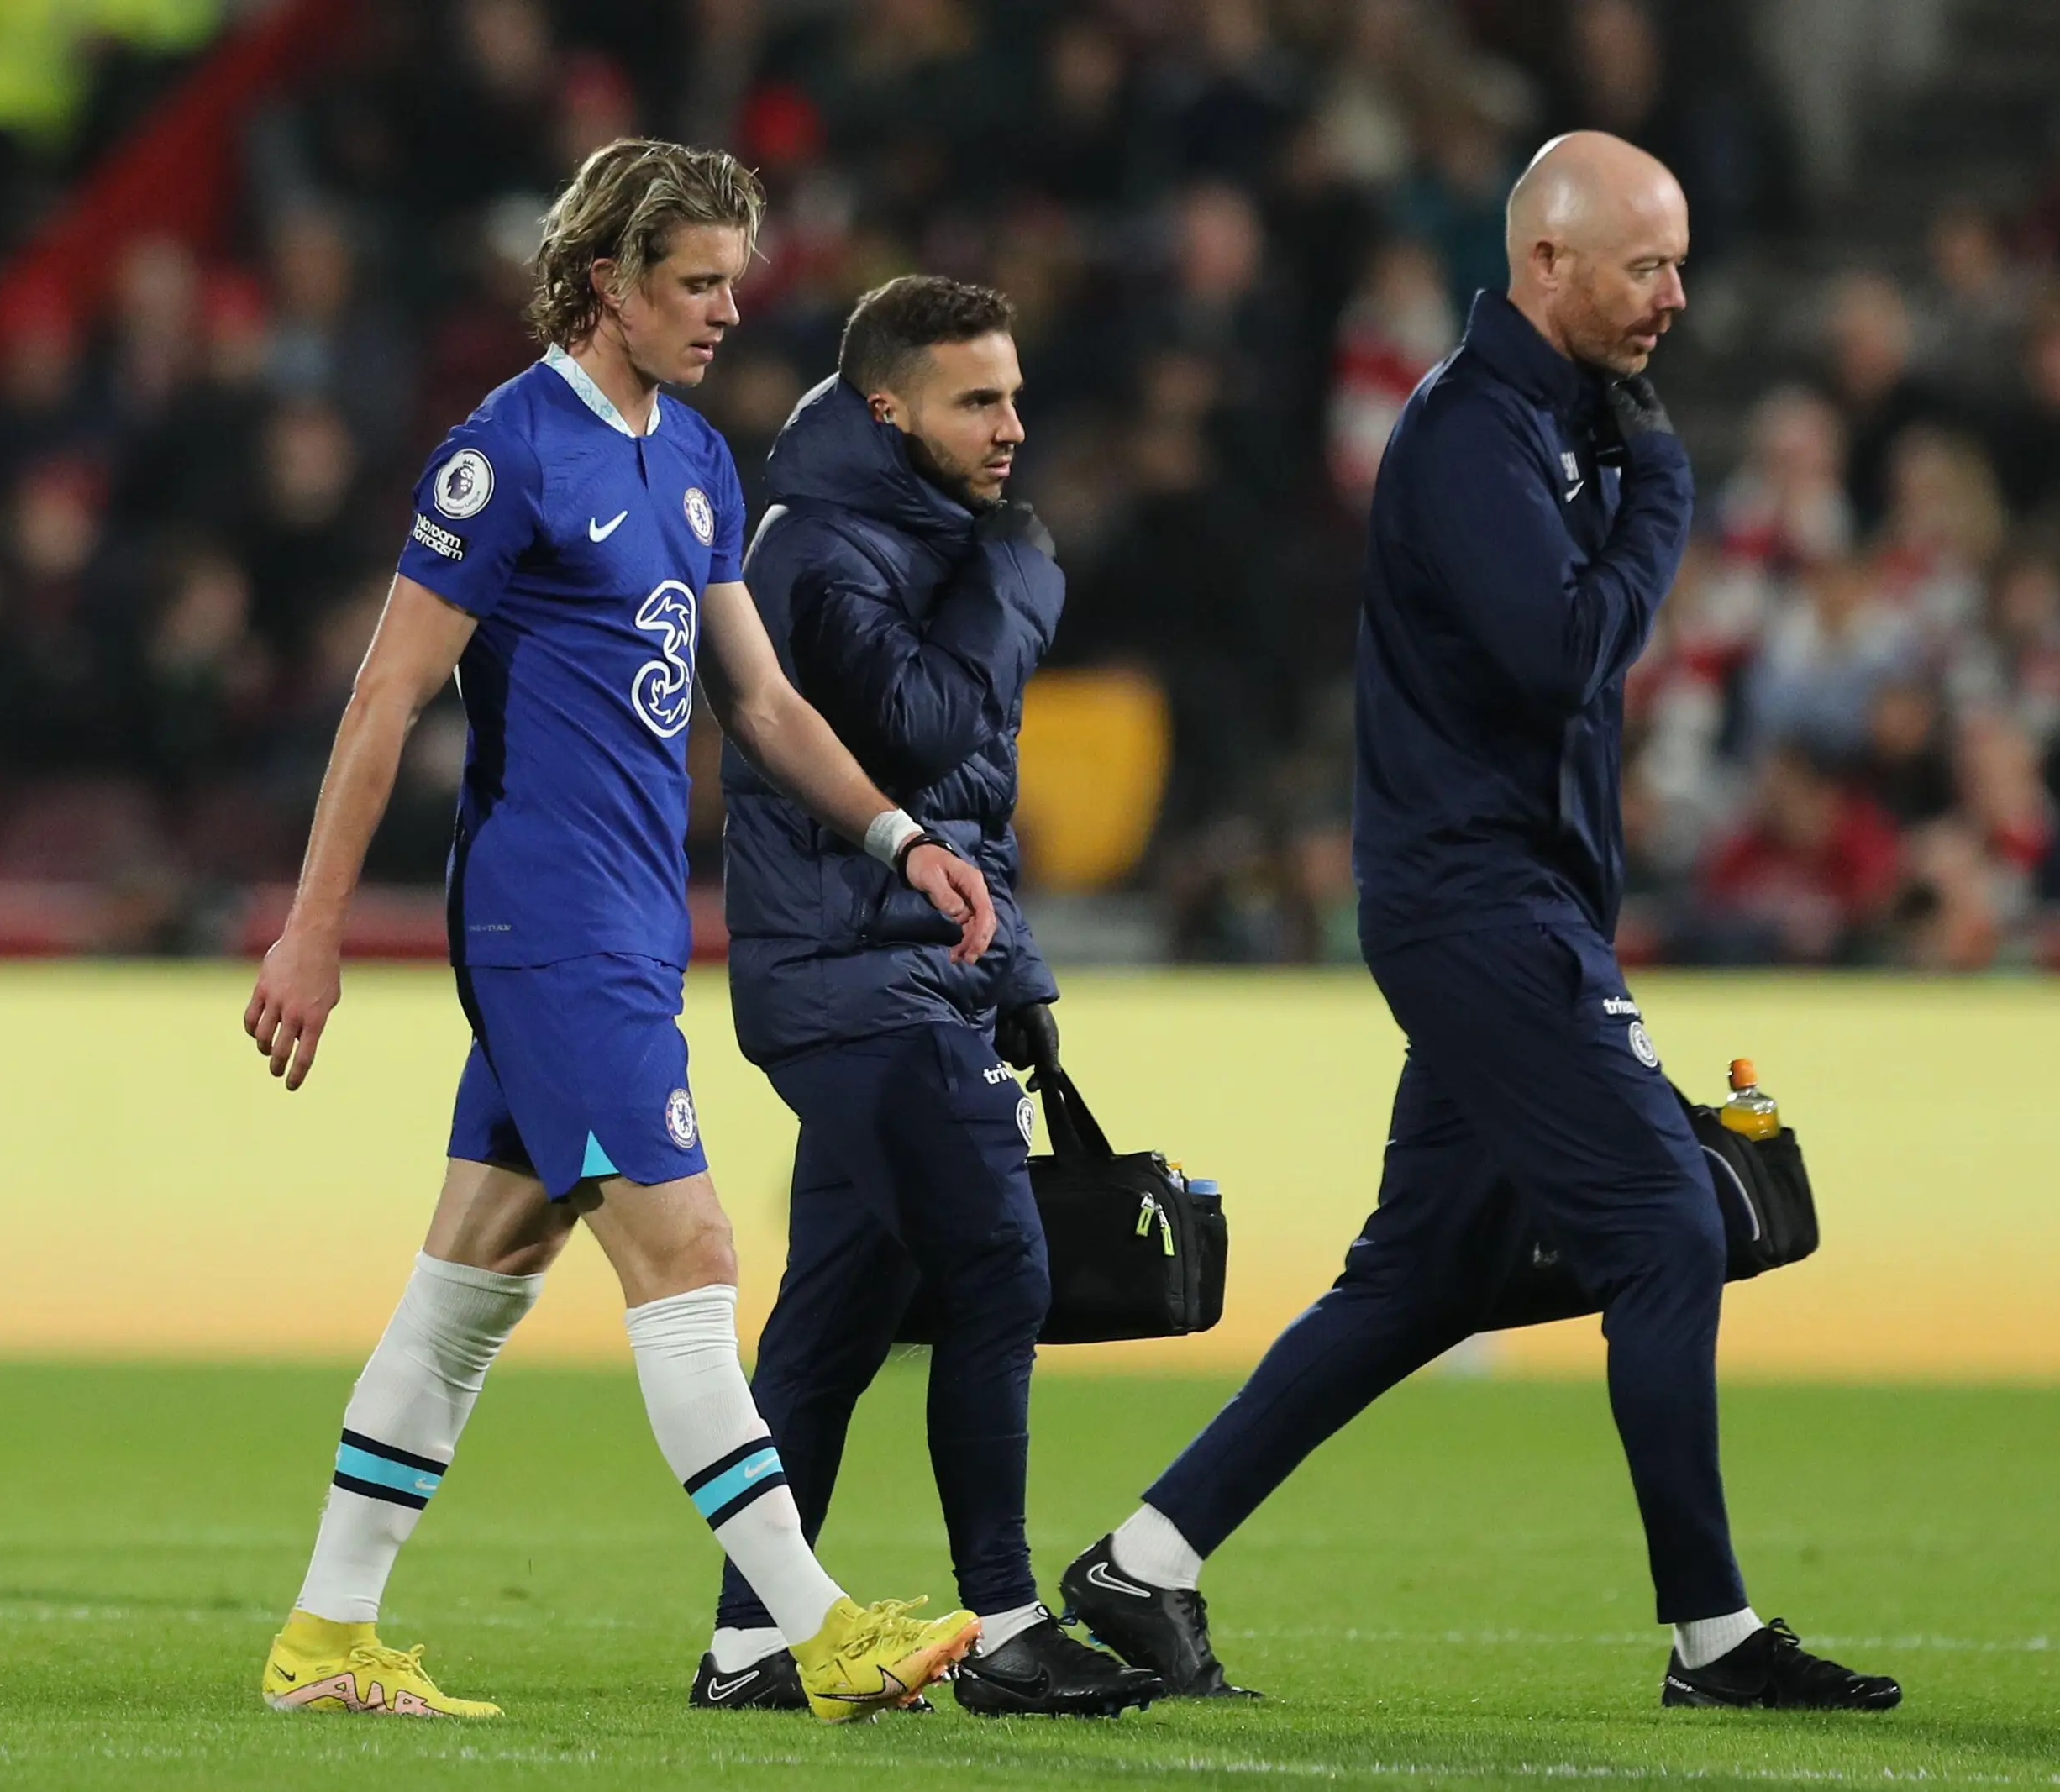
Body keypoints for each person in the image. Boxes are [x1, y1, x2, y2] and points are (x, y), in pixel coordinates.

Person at [1057, 134, 1906, 1712]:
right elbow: (1559, 656)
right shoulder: (1469, 435)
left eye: (1681, 263)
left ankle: (1144, 1561)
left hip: (1510, 899)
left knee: (1423, 1277)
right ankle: (1713, 1637)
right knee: (1667, 1224)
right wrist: (1663, 501)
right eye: (1645, 266)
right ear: (1545, 264)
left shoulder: (1555, 425)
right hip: (1480, 905)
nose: (1675, 296)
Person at [242, 139, 998, 1722]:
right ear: (610, 284)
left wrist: (900, 835)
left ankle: (325, 1636)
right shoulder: (507, 454)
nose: (729, 311)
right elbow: (384, 695)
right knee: (692, 1254)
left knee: (470, 1287)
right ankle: (817, 1628)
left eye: (735, 281)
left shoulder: (698, 460)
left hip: (633, 928)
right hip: (550, 926)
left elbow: (761, 702)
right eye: (698, 283)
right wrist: (313, 932)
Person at [692, 276, 1155, 1718]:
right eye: (978, 401)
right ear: (887, 405)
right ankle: (1006, 1625)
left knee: (838, 1316)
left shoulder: (919, 535)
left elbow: (962, 802)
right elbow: (915, 734)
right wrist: (1017, 587)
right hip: (853, 980)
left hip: (899, 975)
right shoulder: (819, 551)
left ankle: (749, 1647)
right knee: (999, 1270)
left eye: (1015, 397)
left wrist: (1012, 977)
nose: (1013, 427)